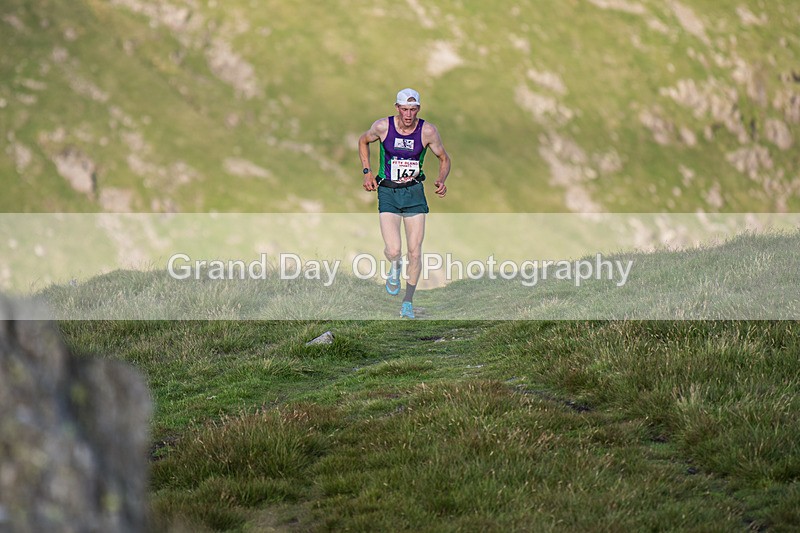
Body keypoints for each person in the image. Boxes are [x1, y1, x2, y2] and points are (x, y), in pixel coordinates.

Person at [358, 88, 451, 319]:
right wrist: (367, 172)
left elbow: (444, 158)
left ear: (418, 109)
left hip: (414, 193)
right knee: (393, 250)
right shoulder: (383, 127)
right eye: (404, 109)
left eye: (413, 109)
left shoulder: (427, 131)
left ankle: (407, 302)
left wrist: (441, 179)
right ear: (397, 108)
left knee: (415, 252)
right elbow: (363, 141)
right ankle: (395, 266)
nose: (408, 114)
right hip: (388, 191)